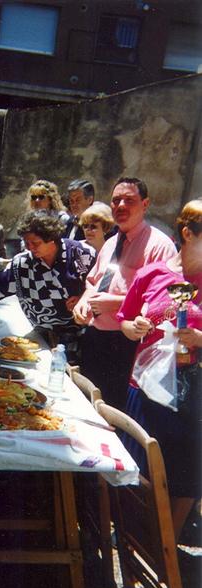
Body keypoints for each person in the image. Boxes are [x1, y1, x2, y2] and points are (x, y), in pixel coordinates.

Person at [118, 199, 202, 538]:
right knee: (141, 465)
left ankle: (164, 541)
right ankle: (135, 535)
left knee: (187, 474)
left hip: (192, 391)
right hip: (146, 386)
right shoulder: (154, 272)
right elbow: (125, 319)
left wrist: (199, 337)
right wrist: (135, 326)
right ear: (188, 233)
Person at [73, 177, 177, 410]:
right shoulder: (111, 243)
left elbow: (162, 303)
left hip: (124, 344)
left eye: (129, 200)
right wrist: (83, 300)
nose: (121, 206)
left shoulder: (159, 246)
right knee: (86, 405)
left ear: (145, 204)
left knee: (111, 411)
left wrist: (117, 305)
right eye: (116, 200)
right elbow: (93, 280)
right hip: (94, 336)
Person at [0, 214, 95, 361]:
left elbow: (101, 283)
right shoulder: (23, 263)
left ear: (52, 239)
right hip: (42, 332)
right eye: (27, 243)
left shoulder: (81, 254)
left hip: (80, 332)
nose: (30, 248)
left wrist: (83, 298)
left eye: (35, 243)